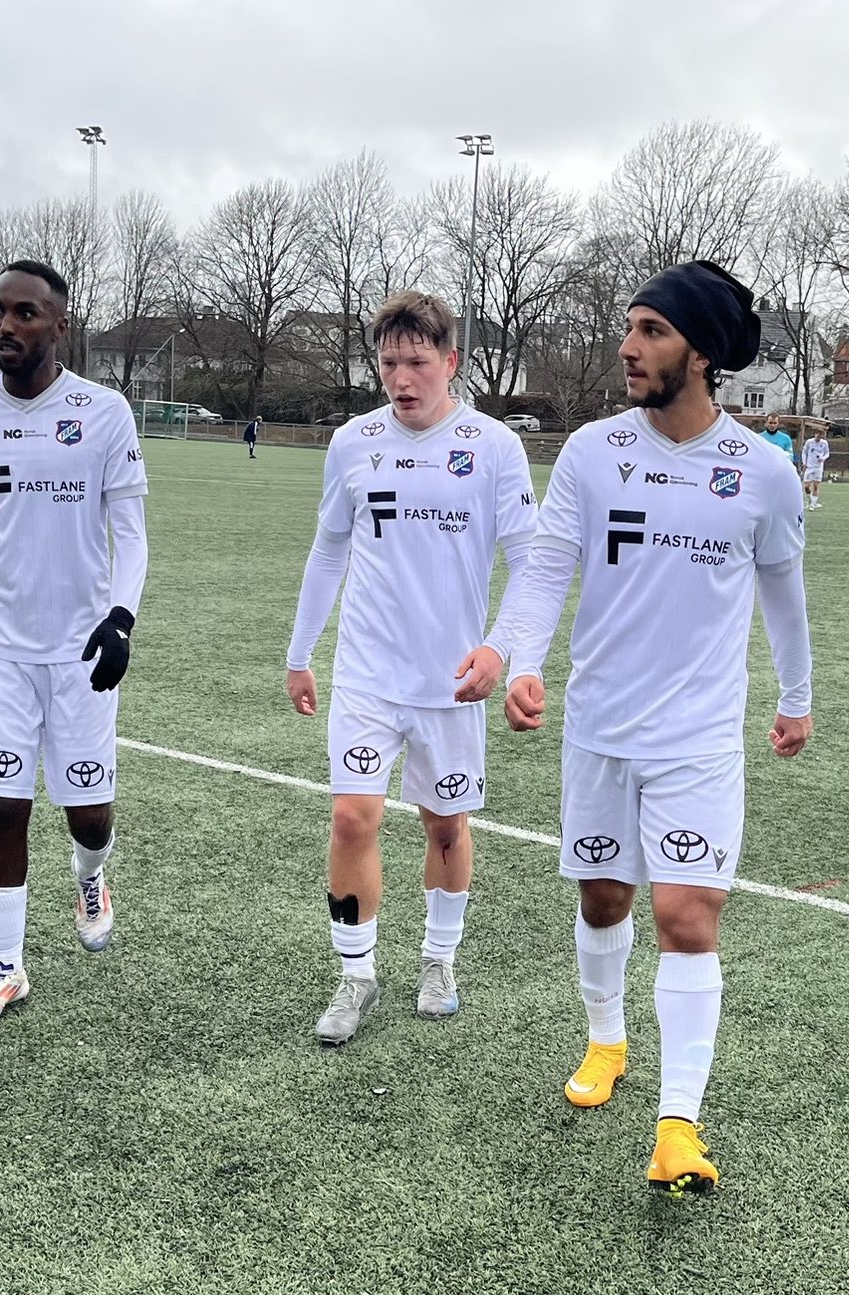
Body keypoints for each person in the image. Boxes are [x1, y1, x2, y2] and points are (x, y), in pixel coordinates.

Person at [461, 260, 813, 1195]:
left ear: (701, 353)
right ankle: (607, 1038)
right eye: (630, 327)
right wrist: (517, 658)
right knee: (605, 900)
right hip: (600, 728)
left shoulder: (764, 473)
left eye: (651, 330)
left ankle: (678, 1124)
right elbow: (548, 565)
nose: (628, 346)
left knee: (686, 915)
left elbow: (784, 592)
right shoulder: (591, 452)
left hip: (698, 738)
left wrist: (797, 694)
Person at [285, 291, 537, 1046]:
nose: (401, 378)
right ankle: (355, 974)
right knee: (350, 817)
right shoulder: (352, 442)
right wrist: (300, 653)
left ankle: (438, 960)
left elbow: (531, 562)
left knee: (446, 825)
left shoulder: (494, 447)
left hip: (451, 682)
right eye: (389, 362)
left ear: (450, 362)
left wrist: (502, 650)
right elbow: (328, 550)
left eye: (418, 362)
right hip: (367, 674)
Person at [0, 260, 150, 1024]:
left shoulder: (104, 412)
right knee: (5, 808)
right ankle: (7, 966)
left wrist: (121, 619)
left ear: (60, 325)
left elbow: (132, 534)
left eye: (24, 313)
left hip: (81, 651)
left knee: (87, 815)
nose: (5, 325)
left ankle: (90, 877)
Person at [801, 428, 831, 509]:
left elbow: (827, 453)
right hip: (809, 467)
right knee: (806, 486)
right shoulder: (809, 442)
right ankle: (810, 500)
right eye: (818, 434)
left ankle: (813, 505)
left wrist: (823, 458)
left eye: (820, 435)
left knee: (816, 485)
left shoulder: (824, 443)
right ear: (815, 434)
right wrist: (804, 462)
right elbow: (804, 452)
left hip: (818, 467)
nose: (819, 436)